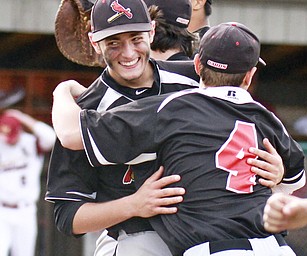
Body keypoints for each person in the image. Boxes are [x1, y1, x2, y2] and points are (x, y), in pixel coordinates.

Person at [47, 1, 286, 255]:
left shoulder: (196, 79)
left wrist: (277, 169)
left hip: (213, 235)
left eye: (136, 38)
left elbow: (248, 124)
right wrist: (133, 205)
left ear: (151, 31)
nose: (128, 53)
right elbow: (67, 215)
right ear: (95, 43)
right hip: (139, 238)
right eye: (114, 43)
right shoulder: (84, 112)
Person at [0, 109, 55, 256]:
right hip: (2, 210)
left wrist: (22, 117)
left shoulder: (29, 142)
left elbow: (50, 137)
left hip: (25, 209)